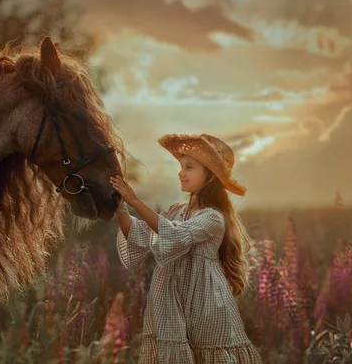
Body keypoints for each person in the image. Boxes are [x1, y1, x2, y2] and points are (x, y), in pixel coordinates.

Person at [109, 133, 262, 364]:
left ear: (210, 177)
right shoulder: (176, 210)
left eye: (189, 167)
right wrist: (119, 205)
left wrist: (136, 202)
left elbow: (174, 233)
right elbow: (140, 232)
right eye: (181, 167)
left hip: (205, 305)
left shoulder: (213, 217)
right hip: (172, 300)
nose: (181, 172)